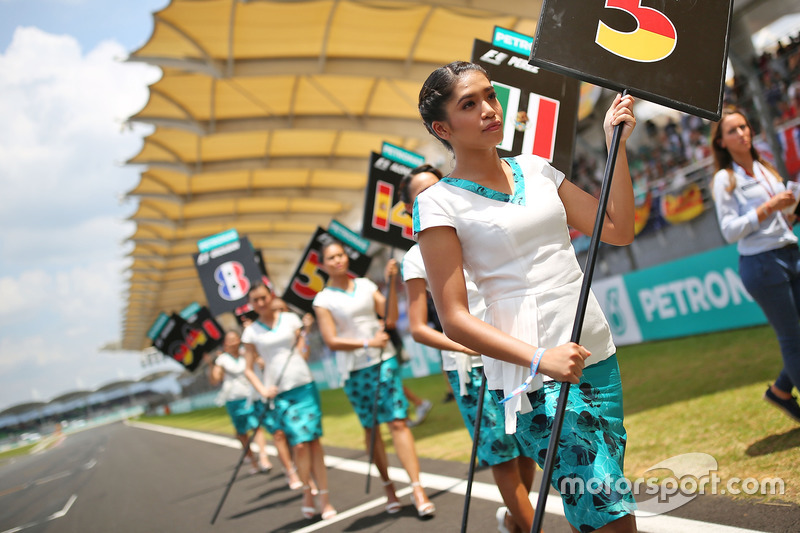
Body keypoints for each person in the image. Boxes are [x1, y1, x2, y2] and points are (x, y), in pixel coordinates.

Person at [414, 61, 638, 532]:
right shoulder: (437, 203)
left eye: (490, 96)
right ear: (442, 128)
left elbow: (616, 229)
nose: (488, 110)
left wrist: (616, 144)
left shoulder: (535, 168)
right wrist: (541, 359)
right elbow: (453, 318)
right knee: (611, 511)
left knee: (603, 502)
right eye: (469, 105)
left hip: (595, 351)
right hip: (536, 378)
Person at [400, 164, 537, 533]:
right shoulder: (414, 258)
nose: (433, 195)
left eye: (438, 185)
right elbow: (417, 328)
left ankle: (513, 519)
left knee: (528, 447)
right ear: (410, 208)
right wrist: (464, 347)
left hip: (509, 353)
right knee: (501, 455)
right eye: (421, 194)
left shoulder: (479, 228)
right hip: (470, 368)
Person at [312, 241, 435, 518]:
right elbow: (332, 340)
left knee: (398, 421)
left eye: (340, 255)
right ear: (323, 265)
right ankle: (389, 487)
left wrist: (392, 282)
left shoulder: (367, 285)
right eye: (331, 258)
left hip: (384, 361)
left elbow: (390, 318)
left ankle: (417, 489)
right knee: (372, 429)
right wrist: (368, 342)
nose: (337, 260)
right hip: (354, 370)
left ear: (347, 257)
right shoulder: (323, 300)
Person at [710, 107, 800, 423]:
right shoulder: (725, 179)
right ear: (721, 142)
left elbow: (779, 215)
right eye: (733, 130)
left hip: (789, 252)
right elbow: (730, 230)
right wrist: (767, 208)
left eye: (744, 127)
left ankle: (779, 391)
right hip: (762, 264)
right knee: (792, 338)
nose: (742, 133)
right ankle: (781, 391)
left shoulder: (764, 168)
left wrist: (790, 211)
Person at [242, 282, 337, 521]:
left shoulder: (290, 319)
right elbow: (249, 369)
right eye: (256, 300)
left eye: (264, 297)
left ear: (271, 296)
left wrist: (304, 334)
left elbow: (303, 354)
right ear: (251, 304)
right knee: (299, 444)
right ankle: (307, 491)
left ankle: (324, 498)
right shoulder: (251, 332)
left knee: (314, 442)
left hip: (304, 385)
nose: (261, 303)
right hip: (280, 394)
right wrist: (263, 389)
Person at [208, 330, 272, 475]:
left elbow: (261, 363)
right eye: (229, 341)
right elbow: (215, 379)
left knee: (256, 426)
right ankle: (252, 460)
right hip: (234, 400)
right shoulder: (222, 359)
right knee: (241, 432)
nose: (233, 343)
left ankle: (263, 457)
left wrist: (254, 351)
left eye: (235, 339)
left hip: (251, 396)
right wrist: (211, 365)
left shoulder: (246, 353)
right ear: (225, 344)